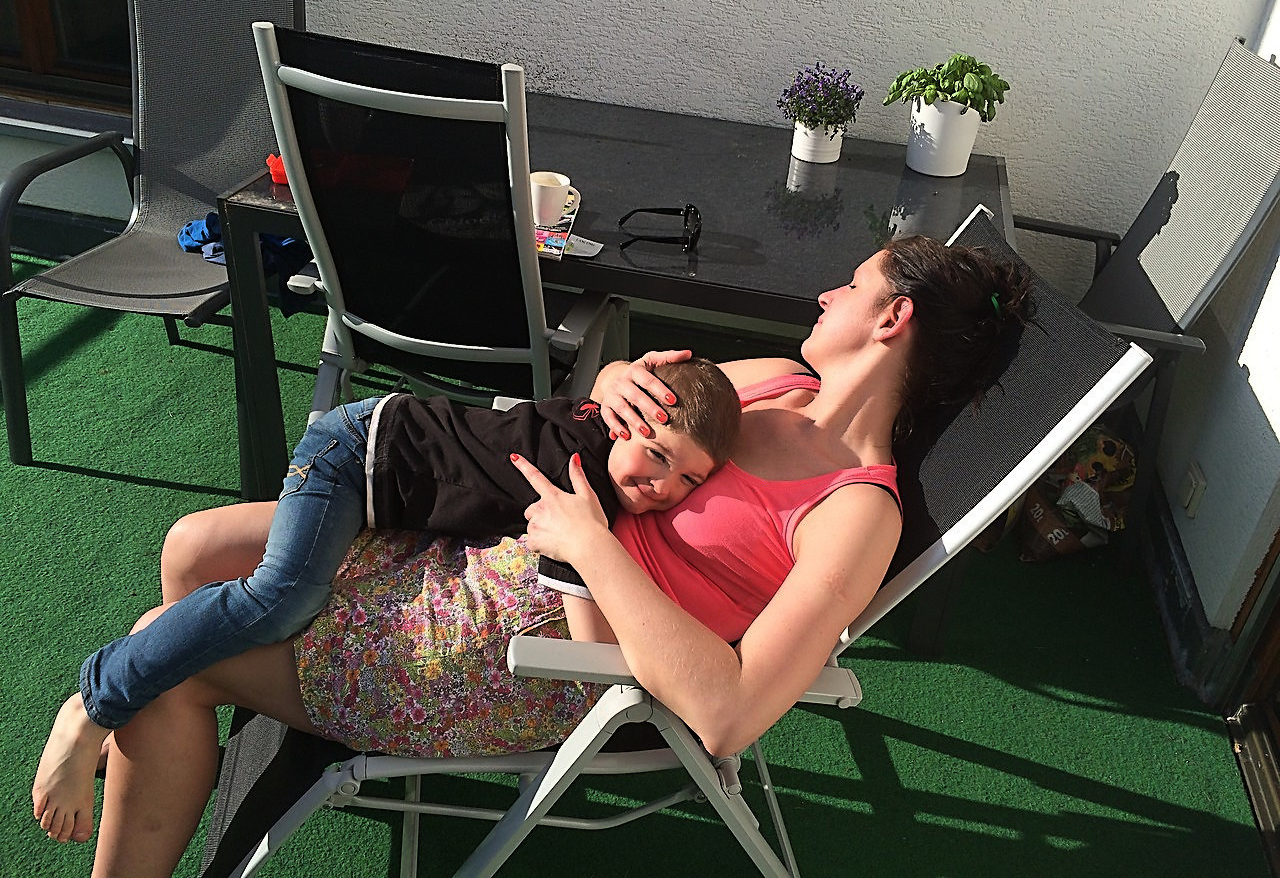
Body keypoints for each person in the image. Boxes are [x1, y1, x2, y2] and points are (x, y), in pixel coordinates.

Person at [34, 235, 1034, 876]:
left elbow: (729, 712)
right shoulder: (773, 382)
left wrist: (595, 547)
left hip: (532, 651)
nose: (825, 292)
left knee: (166, 651)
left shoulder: (856, 514)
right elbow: (611, 421)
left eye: (850, 286)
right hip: (499, 542)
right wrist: (618, 377)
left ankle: (146, 730)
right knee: (195, 545)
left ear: (891, 319)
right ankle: (189, 768)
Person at [33, 358, 738, 842]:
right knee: (279, 600)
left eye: (689, 481)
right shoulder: (577, 483)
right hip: (354, 457)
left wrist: (617, 375)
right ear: (623, 421)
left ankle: (168, 738)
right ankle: (98, 703)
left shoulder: (595, 426)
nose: (664, 487)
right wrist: (601, 558)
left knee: (243, 588)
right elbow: (588, 653)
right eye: (657, 455)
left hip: (381, 463)